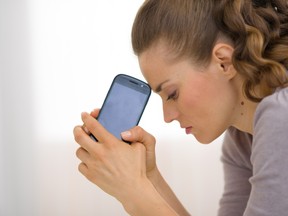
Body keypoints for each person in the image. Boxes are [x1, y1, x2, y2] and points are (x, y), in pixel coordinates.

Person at [73, 0, 288, 215]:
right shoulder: (241, 139)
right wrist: (149, 178)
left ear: (224, 62)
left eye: (172, 94)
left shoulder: (281, 115)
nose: (167, 117)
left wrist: (132, 190)